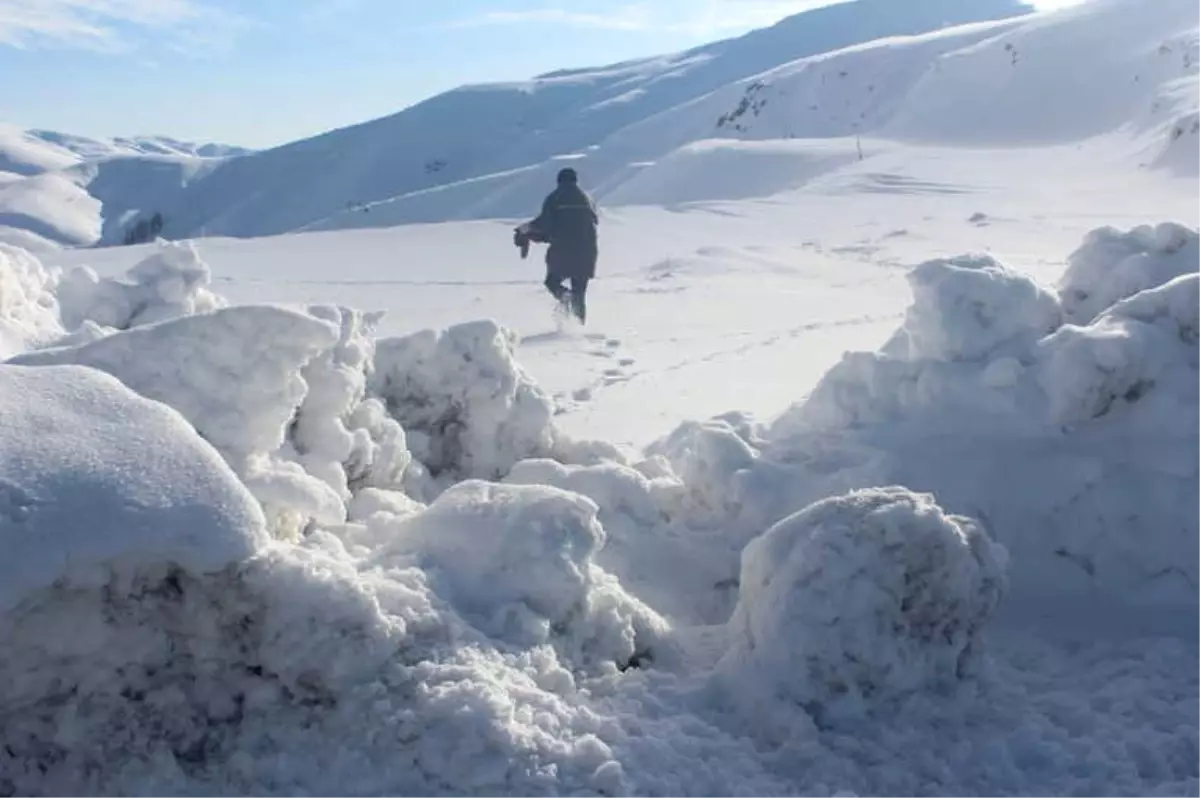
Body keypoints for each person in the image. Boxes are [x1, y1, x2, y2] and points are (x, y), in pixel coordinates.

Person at [515, 167, 599, 324]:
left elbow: (545, 225)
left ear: (559, 181)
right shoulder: (589, 199)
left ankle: (563, 296)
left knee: (552, 282)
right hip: (588, 252)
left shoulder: (555, 198)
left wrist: (526, 230)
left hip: (563, 250)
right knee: (579, 292)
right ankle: (579, 328)